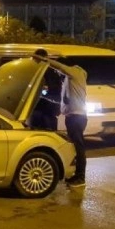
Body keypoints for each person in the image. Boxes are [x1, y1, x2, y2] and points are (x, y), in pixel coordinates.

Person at [32, 48, 88, 187]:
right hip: (73, 116)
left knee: (79, 147)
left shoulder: (75, 72)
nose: (59, 73)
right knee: (75, 147)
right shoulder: (71, 78)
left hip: (76, 117)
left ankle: (80, 177)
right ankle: (76, 175)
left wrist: (45, 60)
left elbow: (60, 67)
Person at [30, 50, 62, 131]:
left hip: (46, 109)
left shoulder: (50, 71)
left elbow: (57, 89)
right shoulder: (51, 71)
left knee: (44, 133)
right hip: (41, 109)